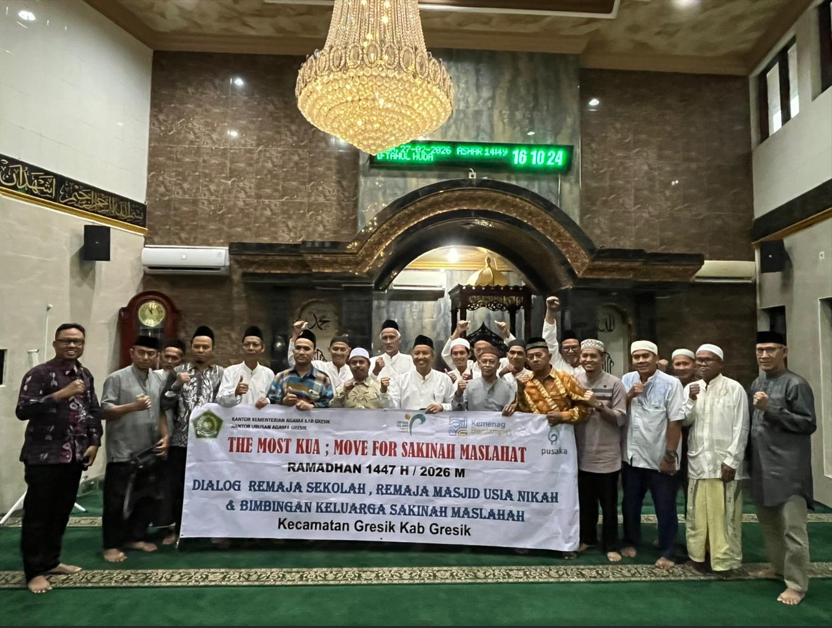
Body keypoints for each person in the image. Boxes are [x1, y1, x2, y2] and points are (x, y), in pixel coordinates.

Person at [15, 323, 102, 594]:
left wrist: (94, 443)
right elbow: (23, 409)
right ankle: (34, 571)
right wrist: (60, 395)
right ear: (56, 344)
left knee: (60, 513)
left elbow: (92, 411)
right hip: (44, 457)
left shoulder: (85, 375)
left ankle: (51, 561)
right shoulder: (39, 374)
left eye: (77, 341)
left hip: (74, 456)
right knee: (38, 515)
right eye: (66, 341)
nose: (72, 346)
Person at [749, 331, 816, 606]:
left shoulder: (796, 384)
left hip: (789, 469)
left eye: (770, 349)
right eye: (760, 350)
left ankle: (797, 585)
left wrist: (771, 408)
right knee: (770, 526)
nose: (764, 355)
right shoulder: (758, 381)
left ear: (784, 351)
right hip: (763, 466)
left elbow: (808, 423)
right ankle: (778, 568)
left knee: (793, 530)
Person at [100, 336, 169, 563]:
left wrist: (166, 436)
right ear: (132, 353)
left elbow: (159, 412)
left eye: (151, 354)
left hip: (149, 450)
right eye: (141, 352)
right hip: (123, 449)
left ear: (156, 356)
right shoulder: (116, 379)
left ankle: (135, 537)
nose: (146, 357)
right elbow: (105, 411)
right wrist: (133, 407)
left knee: (146, 498)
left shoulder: (158, 380)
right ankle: (111, 545)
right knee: (116, 501)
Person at [681, 344, 748, 576]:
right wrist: (689, 400)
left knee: (723, 515)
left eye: (708, 360)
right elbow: (685, 422)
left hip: (724, 463)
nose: (702, 364)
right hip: (699, 461)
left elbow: (742, 426)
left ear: (720, 363)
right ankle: (698, 557)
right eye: (699, 360)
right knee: (698, 515)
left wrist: (733, 459)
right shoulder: (692, 388)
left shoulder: (734, 388)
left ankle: (724, 562)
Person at [621, 340, 685, 570]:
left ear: (656, 358)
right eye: (636, 357)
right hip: (632, 456)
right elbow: (618, 409)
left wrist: (670, 456)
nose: (640, 361)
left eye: (645, 356)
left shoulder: (671, 383)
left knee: (665, 506)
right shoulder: (627, 380)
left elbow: (675, 420)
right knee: (630, 504)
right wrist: (629, 395)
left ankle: (668, 550)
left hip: (660, 458)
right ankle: (630, 541)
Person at [161, 326, 225, 544]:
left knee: (209, 486)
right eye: (197, 346)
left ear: (212, 349)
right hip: (181, 441)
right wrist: (178, 384)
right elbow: (164, 403)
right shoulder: (177, 371)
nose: (200, 350)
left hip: (210, 443)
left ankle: (209, 529)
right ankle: (179, 529)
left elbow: (225, 407)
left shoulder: (221, 373)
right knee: (179, 486)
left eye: (205, 347)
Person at [575, 339, 627, 562]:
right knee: (585, 503)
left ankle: (611, 544)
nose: (588, 360)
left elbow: (621, 418)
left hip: (607, 456)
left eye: (593, 356)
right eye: (584, 356)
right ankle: (588, 539)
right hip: (580, 454)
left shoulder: (615, 384)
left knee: (608, 505)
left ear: (602, 358)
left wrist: (598, 405)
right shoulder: (573, 381)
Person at [509, 336, 591, 424]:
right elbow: (522, 412)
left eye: (539, 355)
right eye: (530, 357)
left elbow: (585, 408)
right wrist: (520, 392)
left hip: (562, 433)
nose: (535, 359)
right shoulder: (524, 382)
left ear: (549, 357)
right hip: (534, 434)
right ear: (527, 361)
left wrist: (563, 416)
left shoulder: (565, 378)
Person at [386, 335, 454, 413]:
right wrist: (384, 393)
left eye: (425, 353)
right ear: (412, 356)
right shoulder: (401, 380)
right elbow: (393, 407)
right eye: (417, 353)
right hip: (408, 423)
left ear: (433, 357)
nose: (420, 357)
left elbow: (453, 405)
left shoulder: (444, 379)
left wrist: (442, 406)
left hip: (436, 423)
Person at [268, 329, 334, 410]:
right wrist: (283, 401)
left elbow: (330, 403)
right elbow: (270, 403)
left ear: (314, 353)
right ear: (293, 351)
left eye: (306, 349)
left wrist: (313, 406)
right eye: (298, 348)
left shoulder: (323, 379)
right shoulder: (281, 377)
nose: (301, 352)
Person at [217, 326, 275, 409]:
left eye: (255, 345)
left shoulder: (268, 374)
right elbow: (220, 400)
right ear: (242, 348)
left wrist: (267, 401)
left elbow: (274, 400)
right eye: (247, 344)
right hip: (235, 420)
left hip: (260, 420)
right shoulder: (230, 371)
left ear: (262, 348)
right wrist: (235, 392)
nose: (251, 348)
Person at [453, 344, 515, 413]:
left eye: (491, 362)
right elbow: (457, 412)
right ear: (479, 364)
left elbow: (516, 413)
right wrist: (459, 393)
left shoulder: (508, 387)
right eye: (484, 361)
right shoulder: (469, 386)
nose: (487, 365)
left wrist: (512, 410)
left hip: (501, 423)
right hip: (474, 423)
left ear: (498, 365)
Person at [289, 322, 352, 389]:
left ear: (349, 351)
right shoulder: (320, 366)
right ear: (329, 349)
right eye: (335, 349)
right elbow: (295, 362)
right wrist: (295, 335)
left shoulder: (352, 371)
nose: (338, 353)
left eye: (342, 349)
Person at [441, 320, 512, 376]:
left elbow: (517, 352)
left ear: (492, 349)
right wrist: (457, 331)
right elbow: (446, 355)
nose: (481, 352)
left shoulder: (503, 363)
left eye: (485, 349)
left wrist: (507, 333)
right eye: (478, 349)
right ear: (472, 352)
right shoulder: (468, 365)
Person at [542, 296, 585, 377]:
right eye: (566, 348)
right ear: (561, 350)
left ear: (580, 348)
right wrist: (550, 311)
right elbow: (549, 339)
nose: (570, 351)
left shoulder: (587, 366)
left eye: (574, 347)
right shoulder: (556, 361)